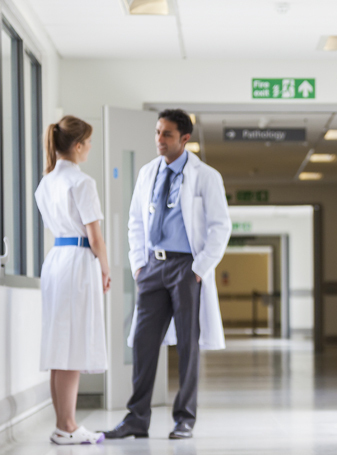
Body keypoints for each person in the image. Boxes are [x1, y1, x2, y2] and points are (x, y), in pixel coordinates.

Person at [104, 109, 231, 440]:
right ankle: (136, 417)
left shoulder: (206, 176)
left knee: (188, 344)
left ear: (185, 139)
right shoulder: (148, 173)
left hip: (187, 267)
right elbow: (134, 220)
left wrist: (200, 269)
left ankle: (184, 418)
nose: (159, 140)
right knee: (144, 341)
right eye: (158, 132)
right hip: (152, 266)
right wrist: (137, 264)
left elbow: (221, 226)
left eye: (167, 135)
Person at [35, 116, 110, 445]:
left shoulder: (46, 182)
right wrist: (106, 268)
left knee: (60, 345)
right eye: (89, 142)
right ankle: (67, 425)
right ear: (77, 146)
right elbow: (95, 237)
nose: (90, 148)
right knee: (72, 346)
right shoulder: (82, 182)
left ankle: (63, 423)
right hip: (78, 262)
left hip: (56, 261)